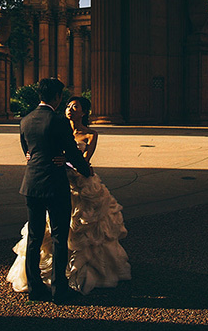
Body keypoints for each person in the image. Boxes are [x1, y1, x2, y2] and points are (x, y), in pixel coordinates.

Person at [7, 94, 131, 297]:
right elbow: (37, 145)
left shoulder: (90, 134)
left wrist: (66, 160)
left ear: (84, 112)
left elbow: (82, 159)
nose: (70, 109)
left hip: (78, 182)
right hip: (53, 180)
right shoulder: (56, 124)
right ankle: (50, 279)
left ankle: (72, 274)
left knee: (78, 229)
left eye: (75, 107)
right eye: (68, 105)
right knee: (51, 233)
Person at [10, 78, 92, 303]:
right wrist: (86, 171)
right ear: (57, 97)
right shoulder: (58, 121)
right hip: (54, 184)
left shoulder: (25, 120)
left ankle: (35, 289)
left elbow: (27, 150)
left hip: (31, 184)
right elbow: (74, 153)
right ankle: (59, 290)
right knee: (59, 237)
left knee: (35, 237)